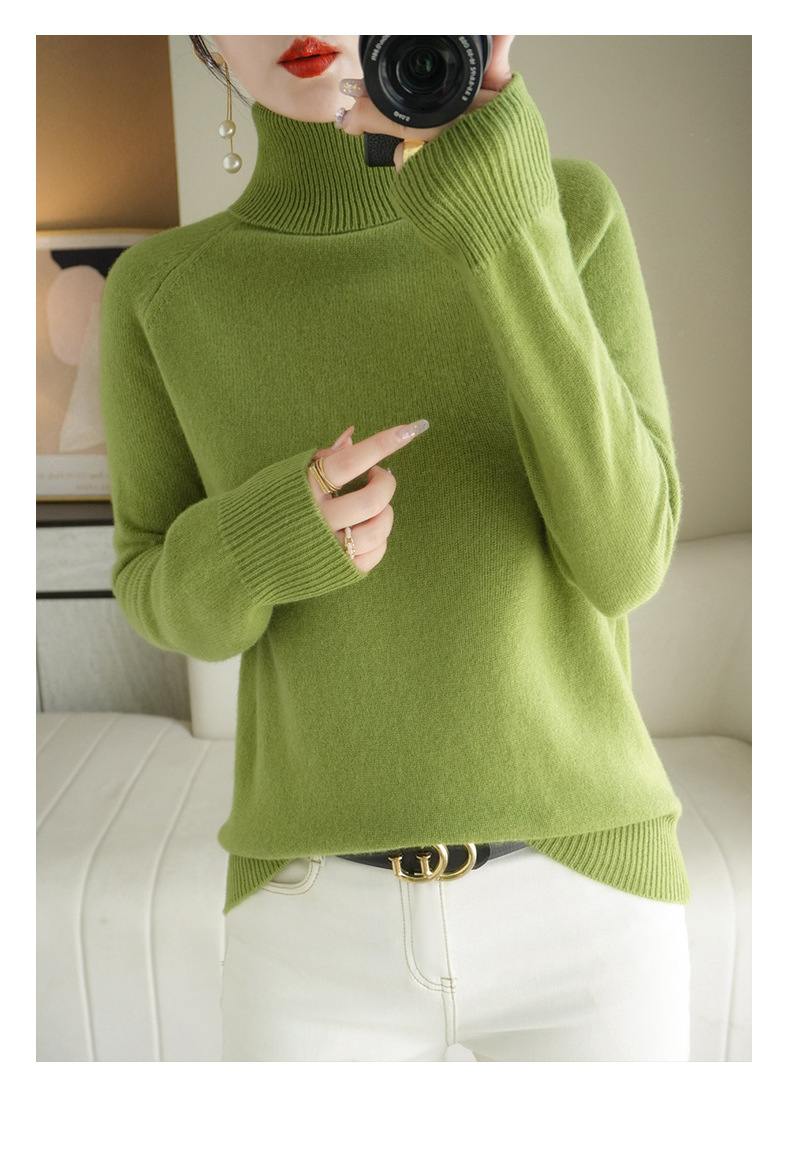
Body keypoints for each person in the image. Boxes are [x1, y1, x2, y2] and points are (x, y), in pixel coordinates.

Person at [99, 35, 691, 1062]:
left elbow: (625, 558)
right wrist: (269, 535)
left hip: (586, 900)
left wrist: (502, 214)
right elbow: (153, 590)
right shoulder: (162, 293)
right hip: (310, 923)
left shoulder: (567, 209)